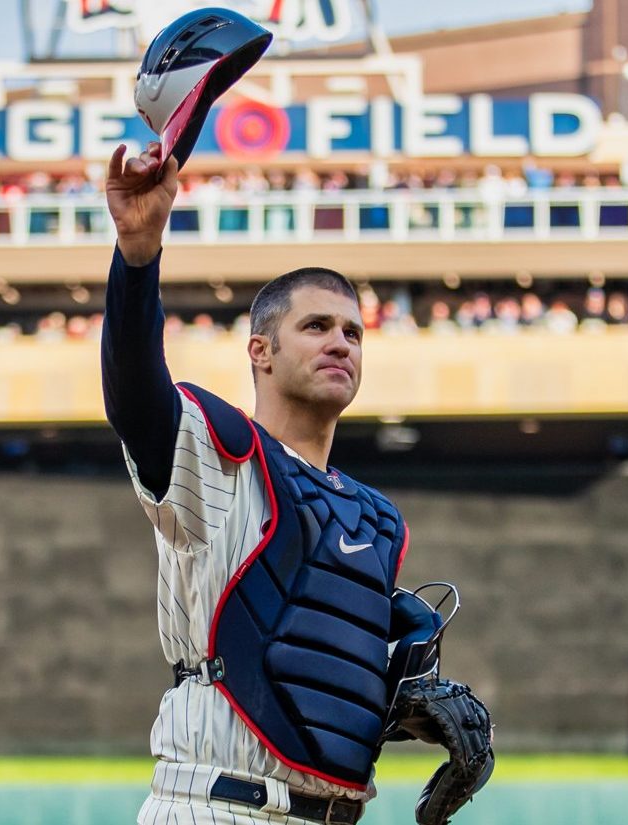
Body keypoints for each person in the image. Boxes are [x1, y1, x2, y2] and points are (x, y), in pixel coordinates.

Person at [101, 142, 491, 825]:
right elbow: (135, 393)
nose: (340, 341)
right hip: (217, 806)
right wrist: (138, 256)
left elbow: (314, 663)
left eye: (353, 331)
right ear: (261, 350)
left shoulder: (374, 519)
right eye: (315, 326)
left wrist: (407, 710)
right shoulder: (222, 456)